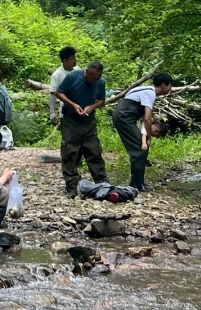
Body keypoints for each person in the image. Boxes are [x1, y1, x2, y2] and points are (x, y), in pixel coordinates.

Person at [111, 72, 173, 192]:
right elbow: (147, 118)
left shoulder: (147, 90)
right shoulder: (150, 93)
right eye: (170, 85)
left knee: (139, 147)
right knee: (140, 148)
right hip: (124, 117)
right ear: (164, 85)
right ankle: (137, 184)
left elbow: (143, 120)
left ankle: (136, 182)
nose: (171, 88)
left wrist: (144, 134)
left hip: (123, 116)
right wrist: (148, 137)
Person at [56, 59, 108, 197]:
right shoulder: (73, 77)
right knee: (70, 151)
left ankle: (102, 182)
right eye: (92, 78)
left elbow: (102, 100)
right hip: (70, 119)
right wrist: (73, 104)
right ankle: (71, 186)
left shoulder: (100, 82)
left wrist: (92, 107)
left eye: (97, 78)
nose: (94, 81)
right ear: (87, 72)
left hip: (88, 120)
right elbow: (59, 92)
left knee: (93, 150)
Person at [48, 45, 78, 122]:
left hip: (80, 109)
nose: (75, 60)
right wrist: (52, 112)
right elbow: (52, 94)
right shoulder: (57, 75)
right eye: (72, 58)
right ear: (65, 60)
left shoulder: (77, 70)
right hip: (66, 113)